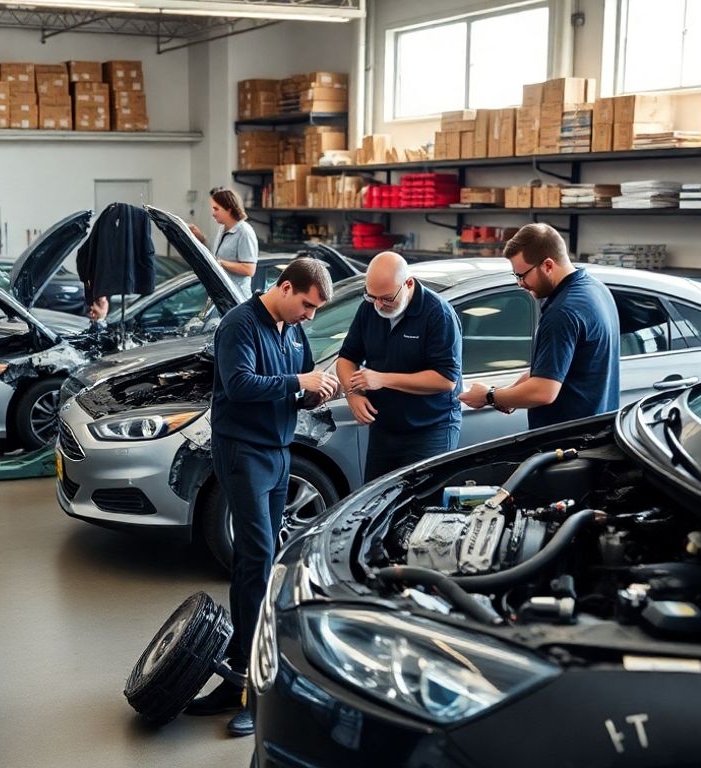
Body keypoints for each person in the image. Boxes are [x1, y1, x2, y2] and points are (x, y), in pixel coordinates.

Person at [183, 257, 339, 737]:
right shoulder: (239, 325)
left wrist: (317, 394)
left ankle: (239, 673)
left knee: (262, 561)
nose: (310, 316)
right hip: (243, 452)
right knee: (257, 556)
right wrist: (299, 384)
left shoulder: (292, 330)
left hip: (279, 451)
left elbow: (302, 382)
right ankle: (250, 681)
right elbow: (241, 385)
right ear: (286, 287)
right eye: (307, 305)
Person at [460, 223, 620, 428]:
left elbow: (543, 391)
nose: (520, 284)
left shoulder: (562, 312)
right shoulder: (595, 289)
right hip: (595, 432)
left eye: (522, 275)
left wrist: (488, 396)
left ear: (548, 265)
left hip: (567, 443)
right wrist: (507, 395)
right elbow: (555, 369)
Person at [336, 252, 463, 481]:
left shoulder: (438, 314)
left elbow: (446, 379)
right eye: (372, 296)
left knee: (422, 505)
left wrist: (383, 379)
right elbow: (346, 358)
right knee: (376, 504)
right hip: (384, 427)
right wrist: (353, 393)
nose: (378, 304)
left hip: (430, 428)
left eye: (386, 298)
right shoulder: (369, 308)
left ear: (408, 283)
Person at [209, 187, 257, 298]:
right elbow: (217, 254)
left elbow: (249, 269)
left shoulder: (244, 232)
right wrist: (201, 239)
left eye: (216, 209)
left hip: (236, 298)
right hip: (221, 295)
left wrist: (219, 263)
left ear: (229, 209)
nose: (213, 214)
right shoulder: (222, 229)